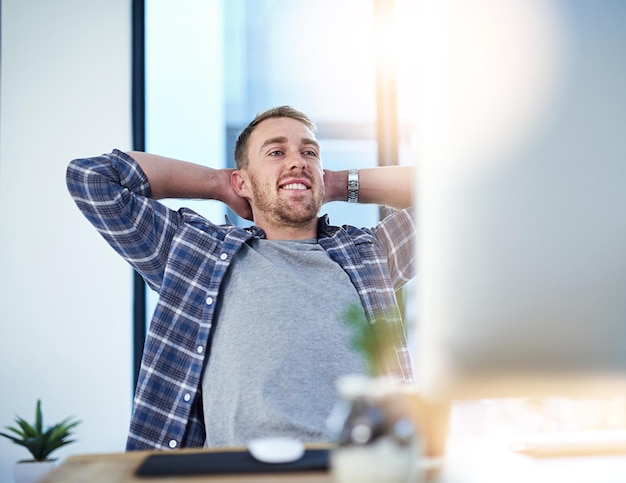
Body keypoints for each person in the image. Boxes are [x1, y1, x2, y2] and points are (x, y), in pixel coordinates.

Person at [66, 105, 416, 451]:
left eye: (309, 152)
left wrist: (338, 182)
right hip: (236, 473)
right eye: (277, 152)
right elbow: (91, 177)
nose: (298, 161)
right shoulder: (193, 253)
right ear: (242, 181)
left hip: (359, 470)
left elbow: (455, 195)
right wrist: (218, 183)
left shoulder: (370, 253)